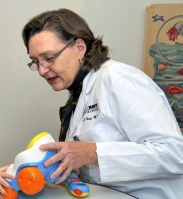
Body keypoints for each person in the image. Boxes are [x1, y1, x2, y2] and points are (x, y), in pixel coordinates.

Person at [21, 8, 183, 199]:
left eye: (49, 58)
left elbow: (175, 154)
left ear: (79, 48)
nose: (41, 70)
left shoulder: (118, 79)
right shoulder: (78, 95)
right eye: (35, 62)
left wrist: (92, 153)